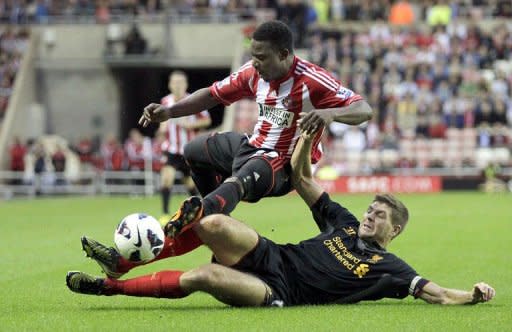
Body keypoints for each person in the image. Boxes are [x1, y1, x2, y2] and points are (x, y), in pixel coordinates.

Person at [66, 131, 495, 306]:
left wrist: (472, 296)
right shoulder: (343, 222)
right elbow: (304, 180)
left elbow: (434, 292)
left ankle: (112, 286)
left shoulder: (390, 269)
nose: (368, 216)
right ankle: (122, 260)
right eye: (369, 210)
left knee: (203, 276)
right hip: (272, 253)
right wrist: (305, 139)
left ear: (394, 230)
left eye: (378, 215)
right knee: (207, 222)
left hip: (279, 289)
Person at [139, 20, 372, 240]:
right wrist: (170, 111)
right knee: (193, 150)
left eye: (262, 57)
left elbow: (363, 109)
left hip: (285, 165)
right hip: (253, 146)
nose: (255, 63)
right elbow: (212, 94)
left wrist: (329, 114)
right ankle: (219, 221)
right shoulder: (253, 73)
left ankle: (201, 214)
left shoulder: (313, 81)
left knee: (242, 177)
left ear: (283, 55)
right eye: (253, 56)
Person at [158, 70, 211, 222]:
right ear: (170, 84)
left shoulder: (192, 101)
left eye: (181, 82)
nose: (178, 85)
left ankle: (199, 210)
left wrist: (190, 125)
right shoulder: (165, 102)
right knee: (167, 178)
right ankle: (165, 213)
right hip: (171, 149)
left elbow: (206, 120)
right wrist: (162, 128)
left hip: (188, 149)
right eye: (175, 82)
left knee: (189, 183)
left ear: (186, 84)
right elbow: (163, 121)